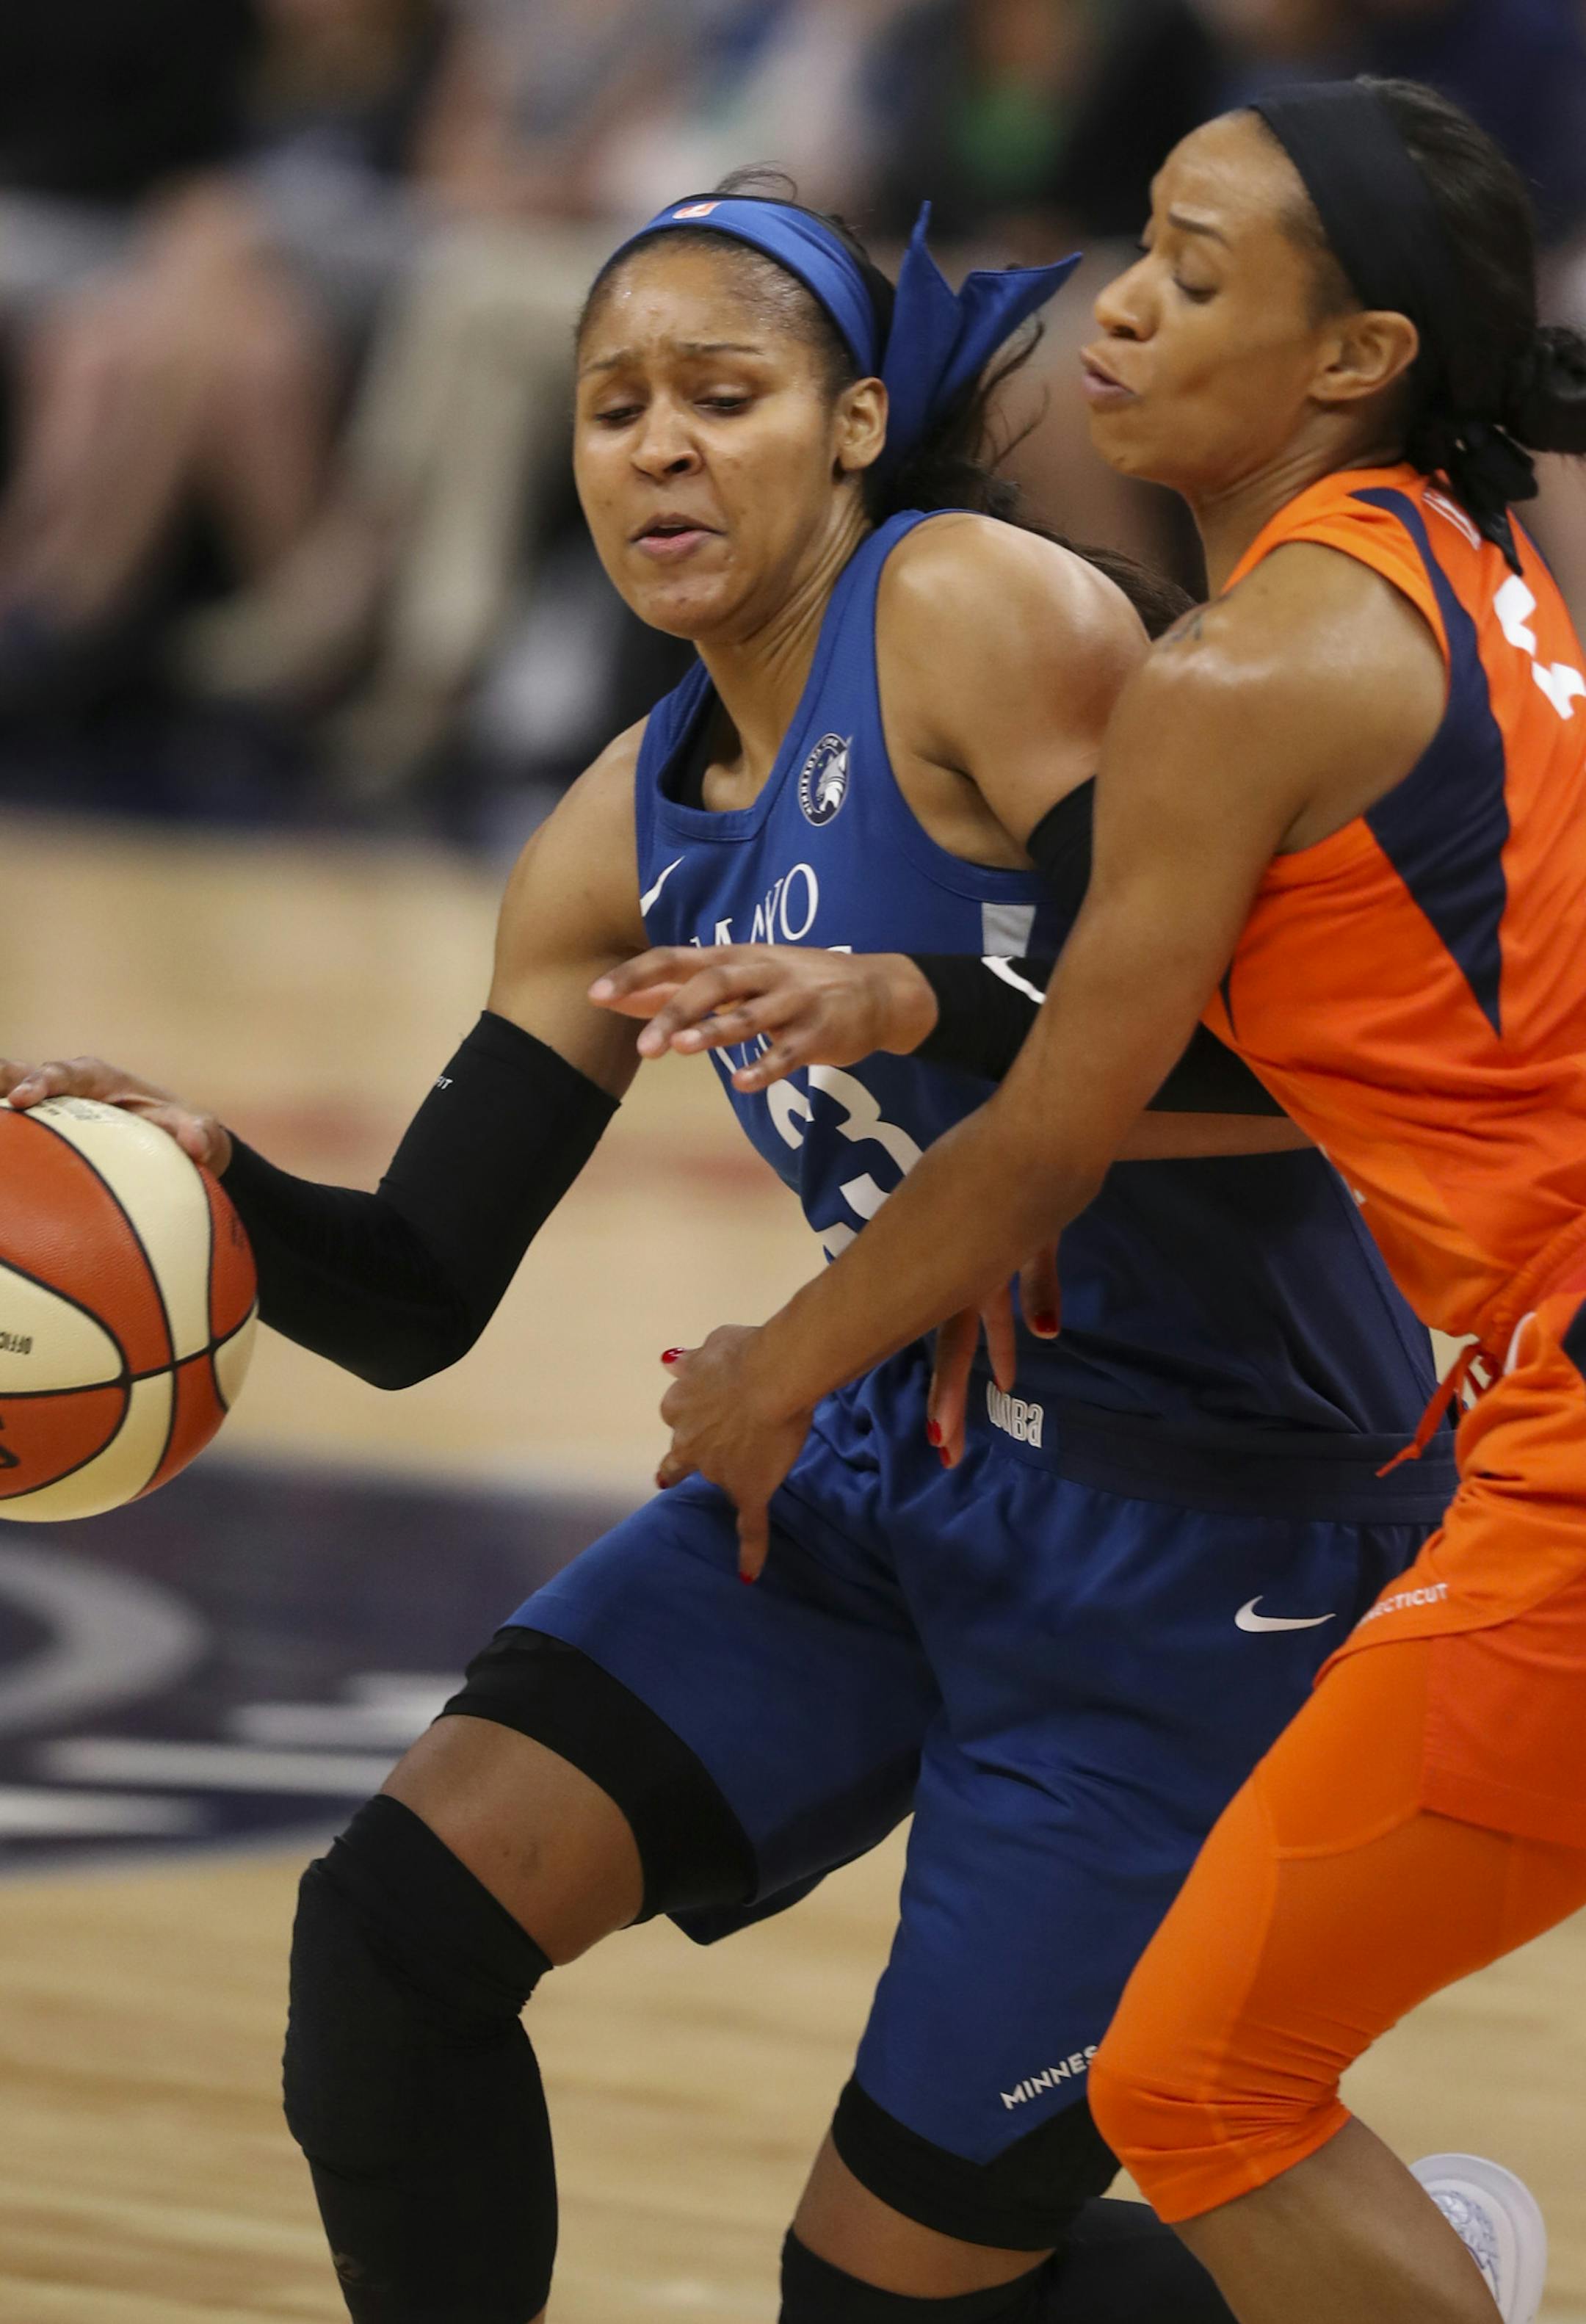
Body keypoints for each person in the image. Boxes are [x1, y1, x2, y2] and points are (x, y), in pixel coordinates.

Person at [1, 185, 1463, 2323]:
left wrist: (933, 1031)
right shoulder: (616, 829)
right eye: (614, 410)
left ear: (855, 424)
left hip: (1204, 1531)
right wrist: (198, 1184)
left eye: (722, 394)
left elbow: (1301, 1048)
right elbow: (415, 1299)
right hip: (883, 1464)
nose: (659, 447)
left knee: (879, 2304)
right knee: (395, 1939)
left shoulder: (971, 608)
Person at [642, 78, 1586, 2324]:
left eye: (1193, 271)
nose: (1120, 308)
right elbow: (1258, 1061)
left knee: (1204, 2086)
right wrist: (918, 994)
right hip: (1526, 1410)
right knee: (1206, 2073)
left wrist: (775, 1370)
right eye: (1140, 246)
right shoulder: (1480, 574)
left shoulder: (1241, 671)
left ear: (1354, 358)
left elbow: (1052, 1140)